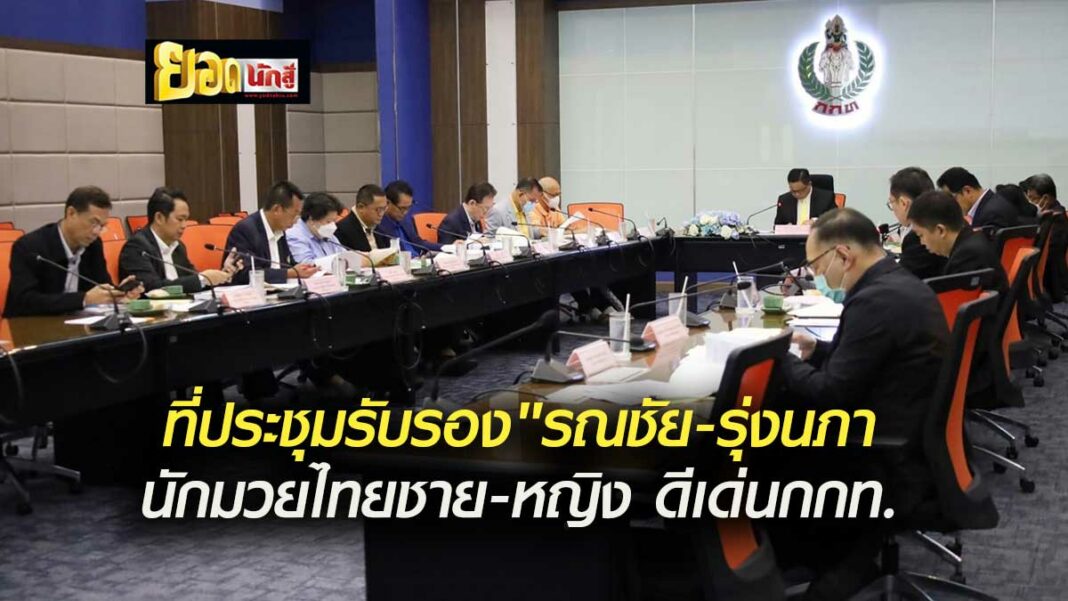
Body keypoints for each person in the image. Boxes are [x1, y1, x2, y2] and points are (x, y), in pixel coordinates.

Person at [775, 207, 949, 600]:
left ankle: (817, 563)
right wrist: (817, 349)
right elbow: (868, 363)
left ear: (843, 254)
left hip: (884, 451)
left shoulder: (875, 300)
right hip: (910, 432)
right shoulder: (895, 284)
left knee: (760, 441)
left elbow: (830, 394)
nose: (817, 275)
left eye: (815, 266)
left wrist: (779, 358)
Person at [5, 186, 142, 317]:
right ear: (71, 213)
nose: (97, 231)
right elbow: (24, 301)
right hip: (32, 326)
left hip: (78, 324)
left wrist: (116, 293)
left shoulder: (93, 245)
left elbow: (100, 284)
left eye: (102, 226)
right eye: (93, 223)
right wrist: (83, 299)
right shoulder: (30, 247)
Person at [119, 187, 240, 292]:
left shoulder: (178, 247)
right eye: (180, 219)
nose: (184, 225)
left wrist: (222, 275)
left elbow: (193, 281)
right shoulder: (137, 247)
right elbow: (151, 288)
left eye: (186, 220)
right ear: (159, 218)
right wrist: (202, 279)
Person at [908, 190, 1009, 294]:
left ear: (941, 230)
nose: (922, 243)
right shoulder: (971, 238)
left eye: (921, 235)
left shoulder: (965, 258)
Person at [225, 180, 318, 285]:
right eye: (294, 214)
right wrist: (289, 273)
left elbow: (288, 264)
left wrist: (304, 269)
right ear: (277, 209)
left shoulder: (280, 229)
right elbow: (245, 273)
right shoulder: (245, 230)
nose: (296, 220)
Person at [886, 167, 946, 280]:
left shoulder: (917, 237)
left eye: (891, 202)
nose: (892, 208)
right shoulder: (944, 219)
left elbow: (899, 279)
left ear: (904, 203)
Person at [937, 166, 1019, 233]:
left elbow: (984, 247)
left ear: (967, 191)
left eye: (952, 198)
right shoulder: (993, 202)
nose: (951, 204)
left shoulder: (992, 214)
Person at [378, 180, 442, 254]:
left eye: (408, 207)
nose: (405, 212)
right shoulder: (380, 226)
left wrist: (445, 247)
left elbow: (419, 242)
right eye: (402, 208)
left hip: (420, 258)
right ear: (388, 203)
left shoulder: (405, 220)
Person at [285, 192, 346, 263]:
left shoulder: (327, 235)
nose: (332, 226)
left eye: (334, 221)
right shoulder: (294, 236)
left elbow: (343, 256)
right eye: (328, 221)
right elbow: (306, 264)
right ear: (312, 219)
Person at [336, 184, 390, 252]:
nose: (381, 214)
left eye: (384, 209)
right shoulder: (341, 231)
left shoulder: (380, 230)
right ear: (361, 207)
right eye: (378, 210)